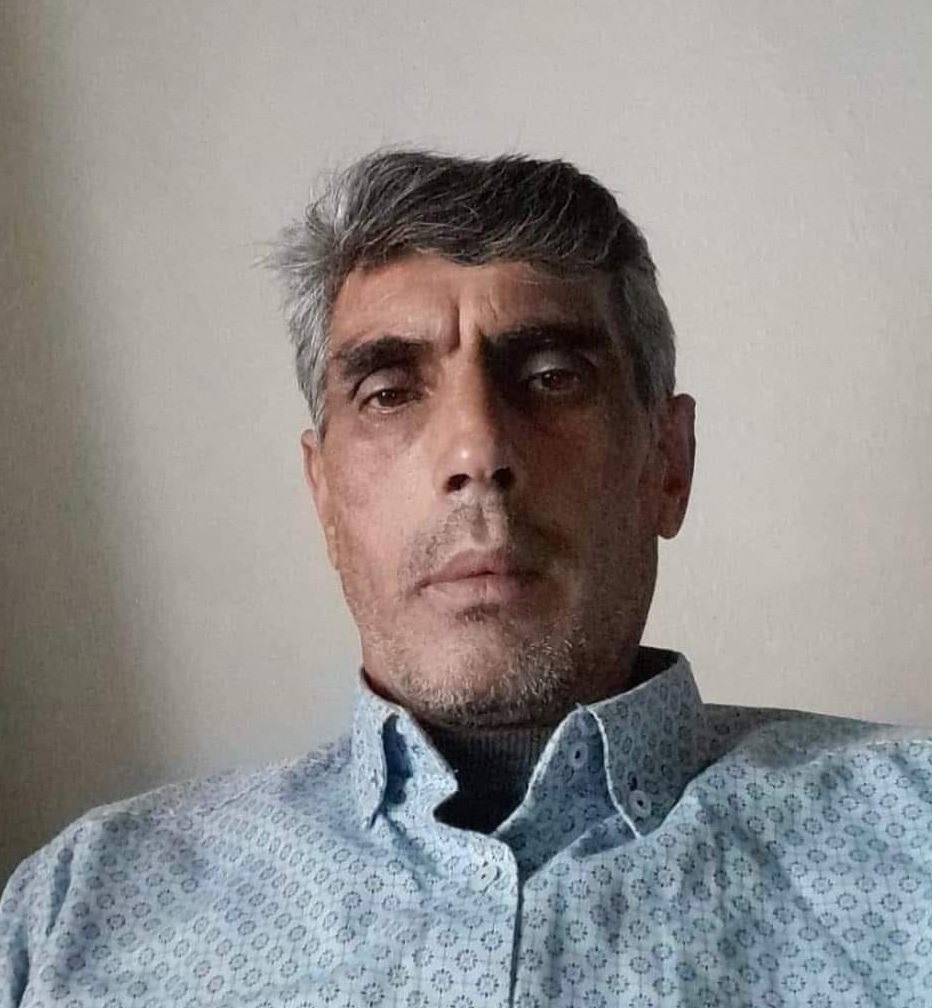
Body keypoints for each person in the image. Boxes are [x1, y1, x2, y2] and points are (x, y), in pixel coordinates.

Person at [1, 150, 930, 1008]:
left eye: (553, 376)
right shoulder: (72, 913)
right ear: (324, 498)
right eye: (389, 392)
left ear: (668, 464)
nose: (478, 451)